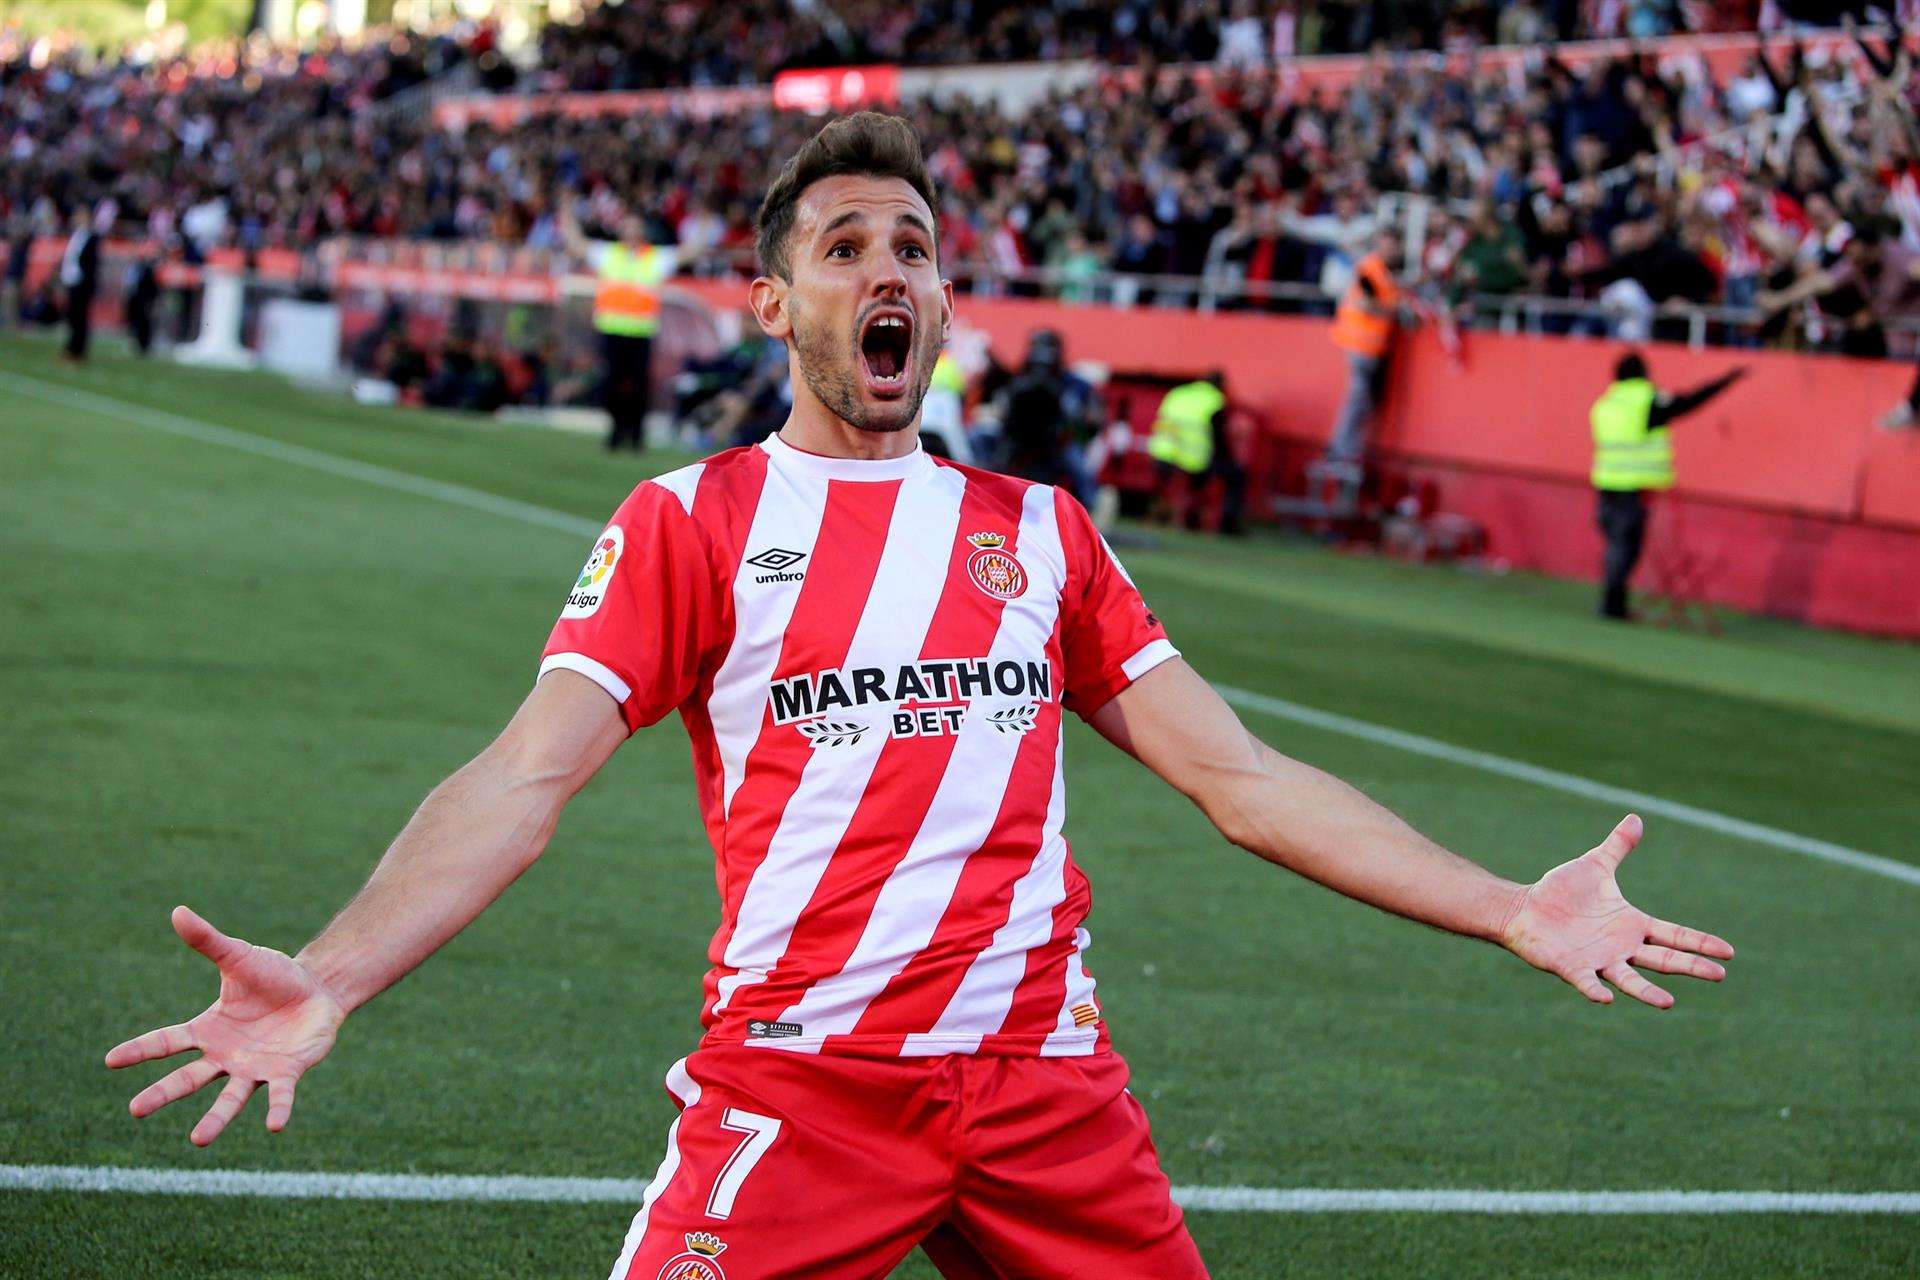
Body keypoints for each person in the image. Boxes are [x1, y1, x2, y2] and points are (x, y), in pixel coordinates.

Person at [107, 114, 1735, 1280]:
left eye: (916, 249)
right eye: (844, 248)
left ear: (943, 301)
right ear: (777, 305)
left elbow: (1238, 778)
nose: (889, 274)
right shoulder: (693, 523)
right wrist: (333, 971)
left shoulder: (1042, 533)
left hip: (1046, 1091)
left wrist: (1508, 906)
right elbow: (521, 782)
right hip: (805, 1085)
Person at [1590, 352, 1746, 621]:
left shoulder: (1605, 404)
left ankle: (1612, 600)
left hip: (1605, 483)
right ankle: (1612, 604)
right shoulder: (1647, 400)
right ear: (1643, 372)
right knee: (1627, 546)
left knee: (1615, 544)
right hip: (1634, 486)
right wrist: (1725, 382)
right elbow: (1688, 402)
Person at [560, 196, 679, 452]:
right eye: (628, 227)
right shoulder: (608, 254)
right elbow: (577, 243)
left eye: (636, 228)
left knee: (638, 387)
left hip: (640, 332)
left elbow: (690, 251)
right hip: (611, 330)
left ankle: (635, 435)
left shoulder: (655, 258)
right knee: (611, 386)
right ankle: (616, 431)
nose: (632, 232)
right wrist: (566, 213)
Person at [1324, 227, 1402, 465]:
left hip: (1371, 347)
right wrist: (1393, 311)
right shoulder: (1370, 269)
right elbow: (1367, 304)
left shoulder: (1383, 272)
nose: (1390, 250)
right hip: (1359, 343)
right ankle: (1340, 448)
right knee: (1358, 397)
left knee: (1365, 400)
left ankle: (1349, 447)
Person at [1147, 370, 1245, 534]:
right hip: (1191, 459)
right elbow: (1219, 437)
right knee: (1237, 475)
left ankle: (1162, 512)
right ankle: (1226, 523)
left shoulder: (1178, 393)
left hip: (1160, 452)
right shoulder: (1215, 400)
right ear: (1221, 385)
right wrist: (1230, 459)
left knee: (1168, 485)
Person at [58, 207, 100, 364]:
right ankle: (71, 349)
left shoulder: (92, 237)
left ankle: (78, 352)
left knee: (80, 318)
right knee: (72, 317)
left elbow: (90, 264)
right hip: (73, 282)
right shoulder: (76, 236)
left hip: (82, 284)